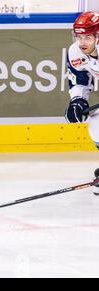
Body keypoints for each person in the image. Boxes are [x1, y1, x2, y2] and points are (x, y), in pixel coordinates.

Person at [65, 11, 99, 195]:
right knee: (95, 124)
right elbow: (79, 80)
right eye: (79, 37)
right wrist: (77, 101)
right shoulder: (75, 52)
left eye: (88, 36)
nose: (82, 42)